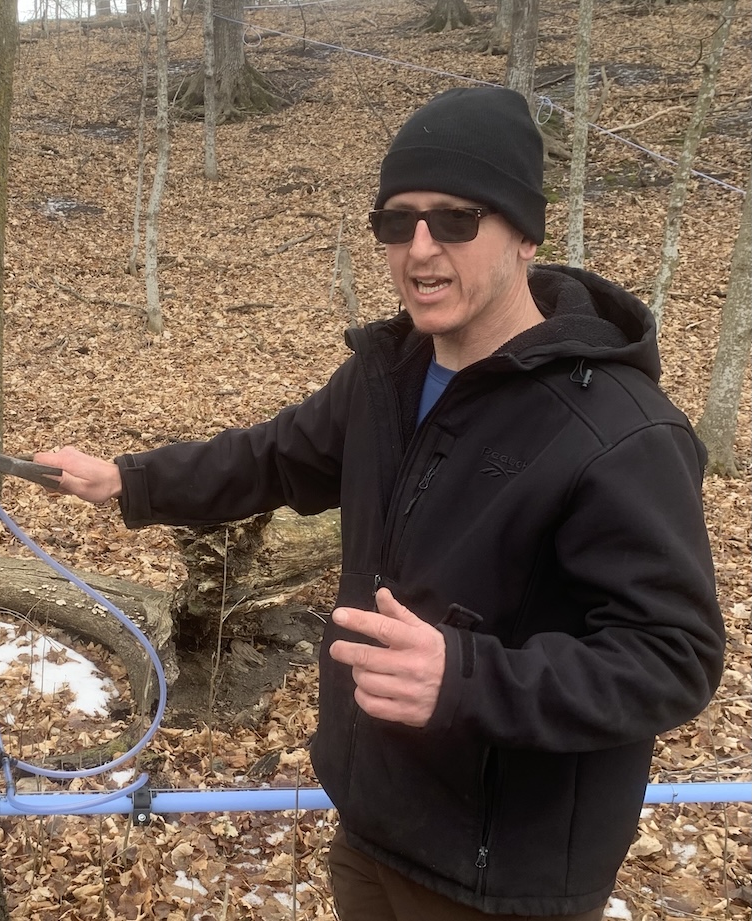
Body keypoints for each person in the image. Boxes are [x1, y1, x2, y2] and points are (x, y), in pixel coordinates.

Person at [35, 86, 725, 920]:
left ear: (524, 234)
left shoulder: (620, 431)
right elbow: (273, 456)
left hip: (498, 873)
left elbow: (672, 657)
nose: (419, 248)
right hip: (370, 822)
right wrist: (127, 479)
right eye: (397, 222)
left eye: (456, 219)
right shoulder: (387, 374)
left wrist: (467, 678)